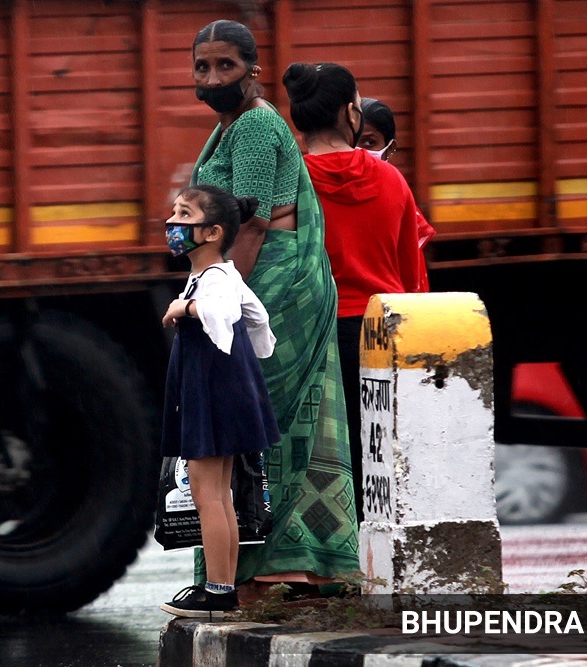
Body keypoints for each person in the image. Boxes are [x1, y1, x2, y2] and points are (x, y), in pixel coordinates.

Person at [186, 19, 359, 602]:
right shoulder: (228, 127)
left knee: (262, 421)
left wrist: (222, 294)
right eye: (203, 67)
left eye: (225, 66)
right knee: (259, 424)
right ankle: (266, 566)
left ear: (252, 69)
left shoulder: (257, 126)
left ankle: (283, 565)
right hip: (253, 276)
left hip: (274, 283)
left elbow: (252, 221)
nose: (212, 78)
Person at [283, 63, 424, 521]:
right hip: (383, 333)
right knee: (380, 456)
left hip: (315, 338)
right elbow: (412, 275)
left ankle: (329, 565)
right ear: (350, 114)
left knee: (323, 460)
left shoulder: (292, 186)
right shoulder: (392, 180)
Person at [158, 185, 280, 618]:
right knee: (219, 495)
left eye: (184, 215)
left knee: (207, 494)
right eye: (174, 213)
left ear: (211, 232)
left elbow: (221, 313)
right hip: (223, 386)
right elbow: (258, 319)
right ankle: (221, 587)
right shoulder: (222, 274)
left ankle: (218, 590)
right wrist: (255, 350)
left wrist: (181, 308)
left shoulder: (213, 280)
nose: (173, 224)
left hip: (212, 389)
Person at [359, 97, 435, 291]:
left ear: (390, 148)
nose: (359, 152)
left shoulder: (396, 189)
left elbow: (411, 269)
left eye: (369, 142)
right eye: (352, 143)